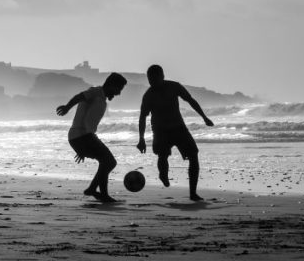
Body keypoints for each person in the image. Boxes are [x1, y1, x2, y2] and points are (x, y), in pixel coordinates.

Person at [136, 64, 215, 201]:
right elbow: (142, 117)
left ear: (162, 77)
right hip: (160, 131)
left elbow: (190, 100)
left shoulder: (174, 86)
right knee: (162, 156)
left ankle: (193, 193)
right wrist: (141, 139)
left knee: (193, 156)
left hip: (178, 128)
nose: (152, 82)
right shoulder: (148, 95)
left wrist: (204, 117)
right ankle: (163, 175)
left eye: (155, 79)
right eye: (150, 80)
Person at [56, 73, 128, 203]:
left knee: (106, 161)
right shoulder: (95, 92)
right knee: (109, 161)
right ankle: (100, 193)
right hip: (82, 136)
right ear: (111, 85)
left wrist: (82, 148)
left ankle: (93, 189)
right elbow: (79, 96)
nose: (119, 93)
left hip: (82, 137)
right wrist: (67, 107)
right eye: (119, 89)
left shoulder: (102, 98)